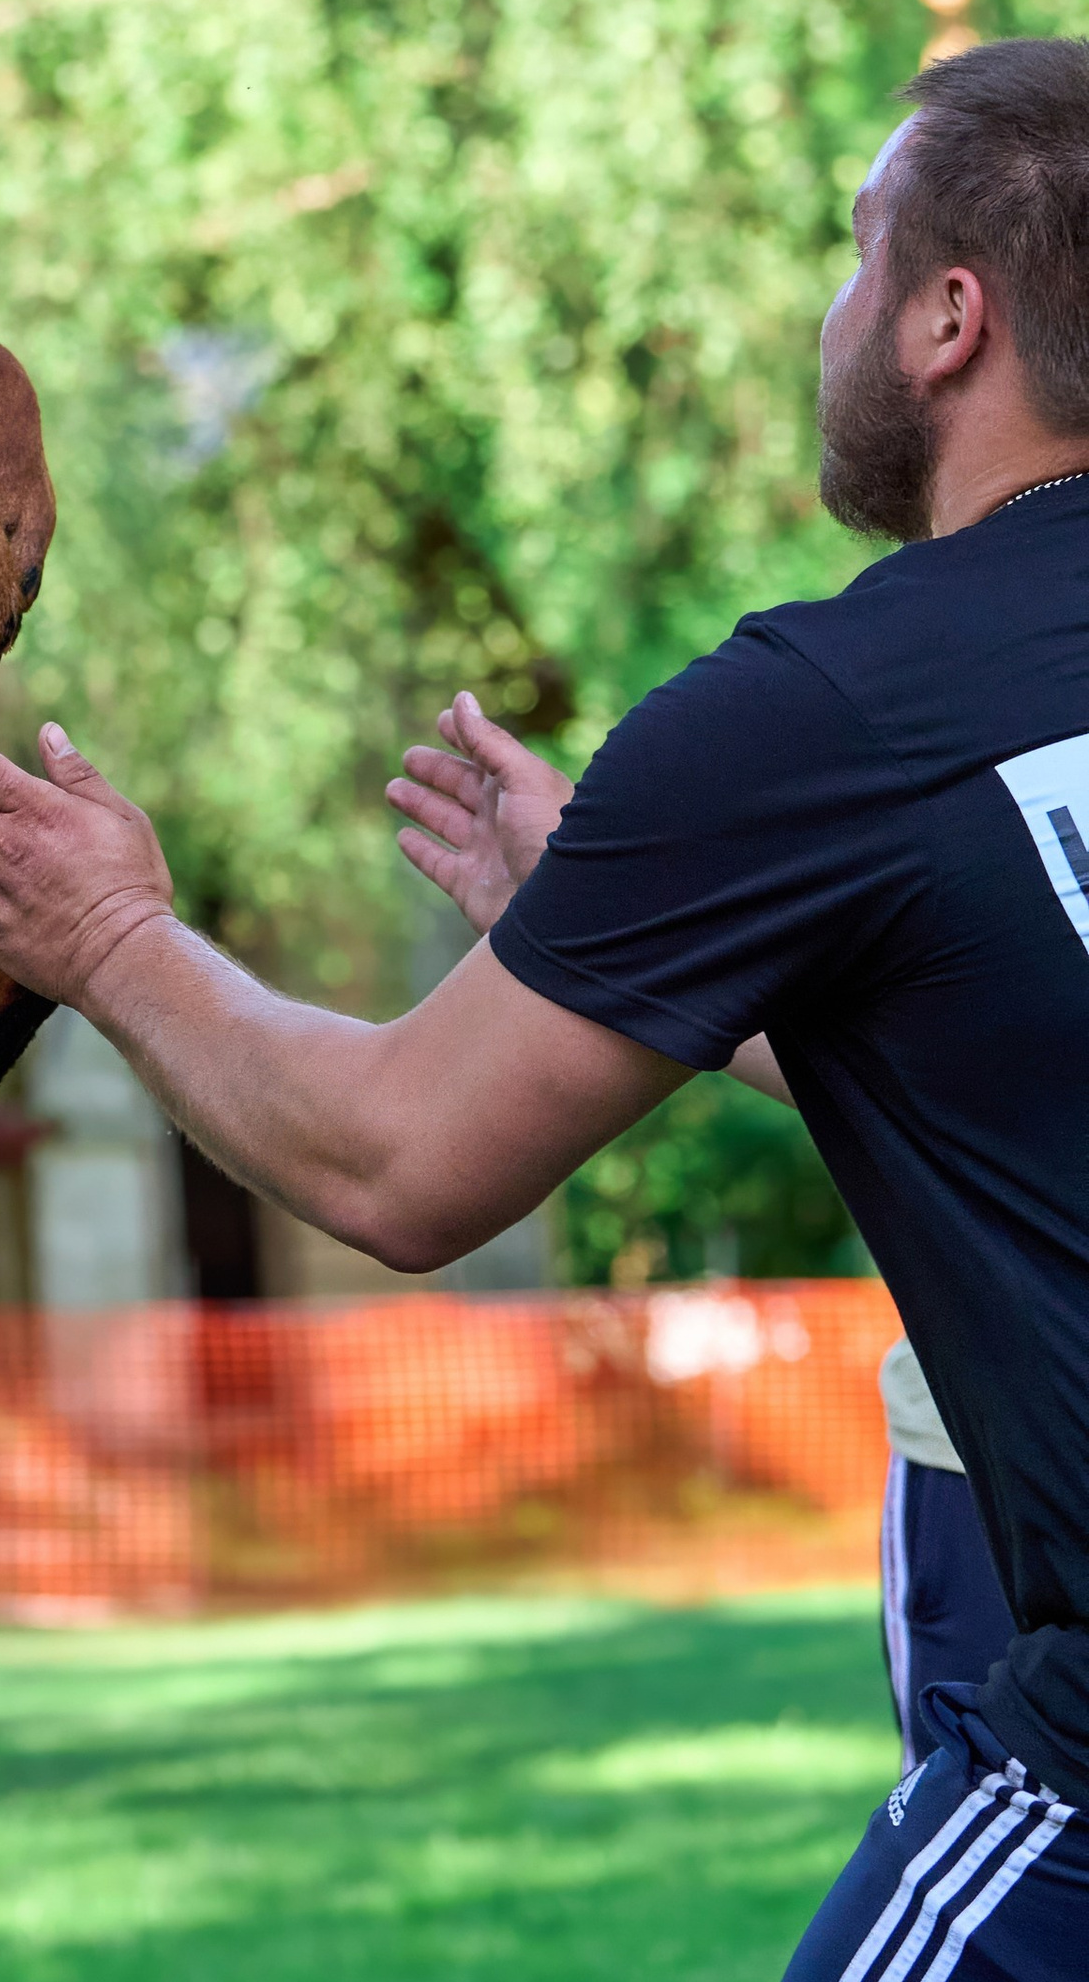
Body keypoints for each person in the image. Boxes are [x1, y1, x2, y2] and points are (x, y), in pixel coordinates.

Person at [0, 38, 1089, 1982]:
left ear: (944, 317)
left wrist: (106, 932)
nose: (826, 308)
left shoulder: (825, 707)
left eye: (848, 250)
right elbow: (1011, 1044)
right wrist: (653, 968)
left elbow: (389, 1154)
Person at [385, 686, 1018, 1777]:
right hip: (982, 1470)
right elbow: (951, 1086)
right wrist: (631, 950)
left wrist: (109, 935)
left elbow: (381, 1170)